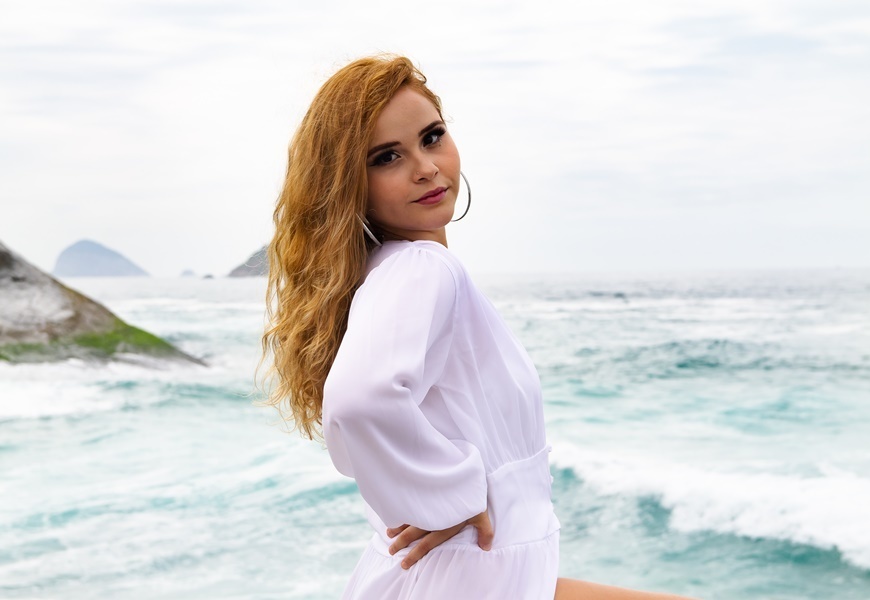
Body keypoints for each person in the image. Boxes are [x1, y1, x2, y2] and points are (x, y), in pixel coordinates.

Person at [260, 54, 695, 600]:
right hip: (468, 577)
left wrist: (428, 494)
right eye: (387, 157)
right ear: (350, 184)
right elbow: (358, 400)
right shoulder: (423, 267)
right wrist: (451, 497)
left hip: (465, 576)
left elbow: (359, 416)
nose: (425, 166)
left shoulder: (385, 271)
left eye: (432, 136)